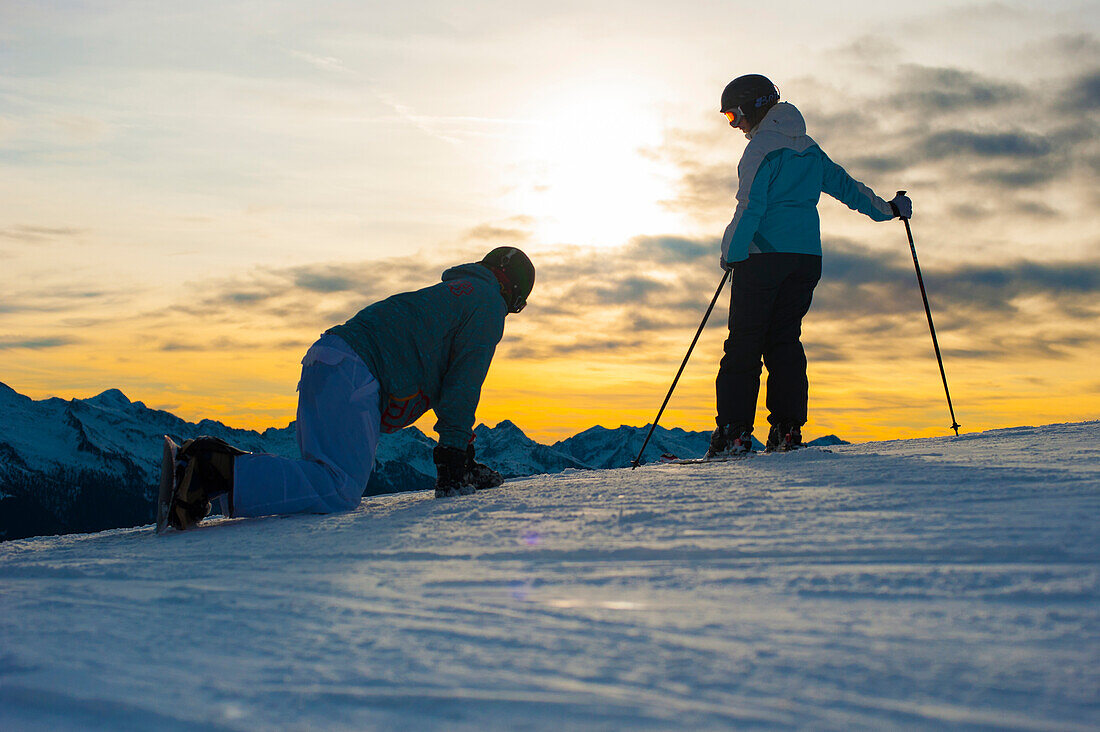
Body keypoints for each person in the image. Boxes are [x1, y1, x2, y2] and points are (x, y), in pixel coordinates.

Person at [164, 247, 535, 530]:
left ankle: (206, 474)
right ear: (513, 293)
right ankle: (213, 468)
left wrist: (463, 459)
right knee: (339, 488)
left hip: (328, 358)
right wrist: (453, 459)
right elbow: (463, 385)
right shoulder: (488, 304)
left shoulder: (457, 294)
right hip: (357, 370)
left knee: (319, 477)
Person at [709, 74, 911, 457]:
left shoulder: (761, 150)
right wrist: (890, 209)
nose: (735, 126)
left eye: (734, 116)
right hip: (805, 260)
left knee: (744, 344)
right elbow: (850, 189)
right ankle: (786, 430)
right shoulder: (809, 149)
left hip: (763, 257)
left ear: (753, 106)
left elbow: (750, 206)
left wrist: (731, 252)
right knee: (784, 341)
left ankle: (734, 432)